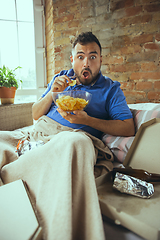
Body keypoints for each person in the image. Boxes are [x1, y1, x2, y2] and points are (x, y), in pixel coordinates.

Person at [0, 32, 135, 240]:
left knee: (77, 142)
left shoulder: (110, 89)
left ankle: (15, 172)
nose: (86, 63)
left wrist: (87, 120)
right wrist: (51, 93)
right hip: (37, 132)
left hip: (72, 136)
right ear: (72, 60)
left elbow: (128, 128)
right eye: (80, 56)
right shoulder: (61, 78)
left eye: (92, 56)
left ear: (101, 59)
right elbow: (35, 114)